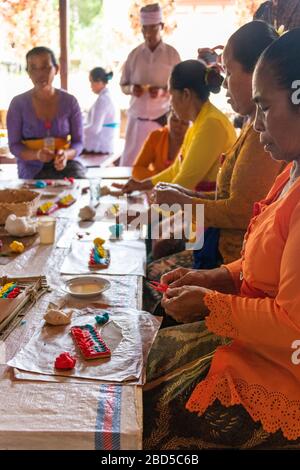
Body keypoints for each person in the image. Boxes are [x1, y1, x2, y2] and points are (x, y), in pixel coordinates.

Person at [143, 28, 300, 450]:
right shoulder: (290, 173)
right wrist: (216, 279)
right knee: (138, 357)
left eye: (266, 106)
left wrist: (212, 302)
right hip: (255, 335)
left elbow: (292, 327)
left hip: (284, 367)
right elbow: (262, 258)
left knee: (143, 401)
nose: (258, 119)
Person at [149, 21, 284, 268]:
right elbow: (230, 196)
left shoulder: (264, 135)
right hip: (219, 247)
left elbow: (243, 211)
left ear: (257, 73)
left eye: (229, 73)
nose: (224, 84)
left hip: (235, 260)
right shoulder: (248, 125)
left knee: (149, 274)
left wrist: (181, 201)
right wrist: (184, 195)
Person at [115, 59, 236, 195]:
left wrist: (147, 216)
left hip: (208, 213)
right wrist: (141, 185)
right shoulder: (199, 123)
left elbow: (184, 183)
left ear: (186, 95)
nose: (170, 103)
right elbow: (175, 171)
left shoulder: (211, 125)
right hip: (196, 209)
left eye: (171, 96)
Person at [7, 46, 85, 179]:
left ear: (56, 69)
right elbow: (14, 145)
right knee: (36, 197)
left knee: (80, 192)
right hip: (31, 169)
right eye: (33, 68)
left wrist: (66, 154)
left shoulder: (70, 102)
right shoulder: (18, 104)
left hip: (65, 165)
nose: (39, 73)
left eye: (45, 67)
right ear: (28, 72)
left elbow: (78, 143)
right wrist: (36, 155)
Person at [119, 3, 180, 167]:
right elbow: (123, 85)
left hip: (160, 119)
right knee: (130, 165)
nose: (148, 33)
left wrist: (162, 92)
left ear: (161, 26)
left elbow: (179, 88)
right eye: (145, 28)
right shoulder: (134, 55)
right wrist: (132, 89)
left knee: (159, 167)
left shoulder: (172, 55)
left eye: (152, 28)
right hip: (136, 121)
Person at [132, 111, 189, 180]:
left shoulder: (192, 142)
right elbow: (137, 169)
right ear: (168, 118)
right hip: (156, 186)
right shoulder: (156, 136)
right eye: (174, 120)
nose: (178, 126)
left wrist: (159, 178)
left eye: (184, 123)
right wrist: (160, 178)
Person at [83, 67, 118, 154]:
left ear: (99, 81)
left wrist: (77, 130)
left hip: (100, 147)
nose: (90, 85)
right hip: (105, 144)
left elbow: (95, 129)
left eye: (91, 81)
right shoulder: (107, 97)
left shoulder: (103, 100)